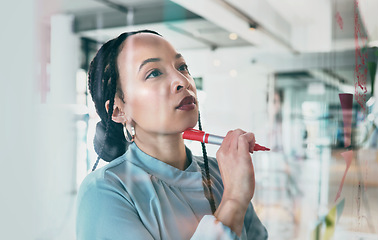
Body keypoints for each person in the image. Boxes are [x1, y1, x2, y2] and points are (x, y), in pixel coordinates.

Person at [76, 30, 268, 240]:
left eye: (182, 67)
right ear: (119, 110)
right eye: (154, 73)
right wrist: (234, 200)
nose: (182, 81)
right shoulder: (104, 191)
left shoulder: (223, 173)